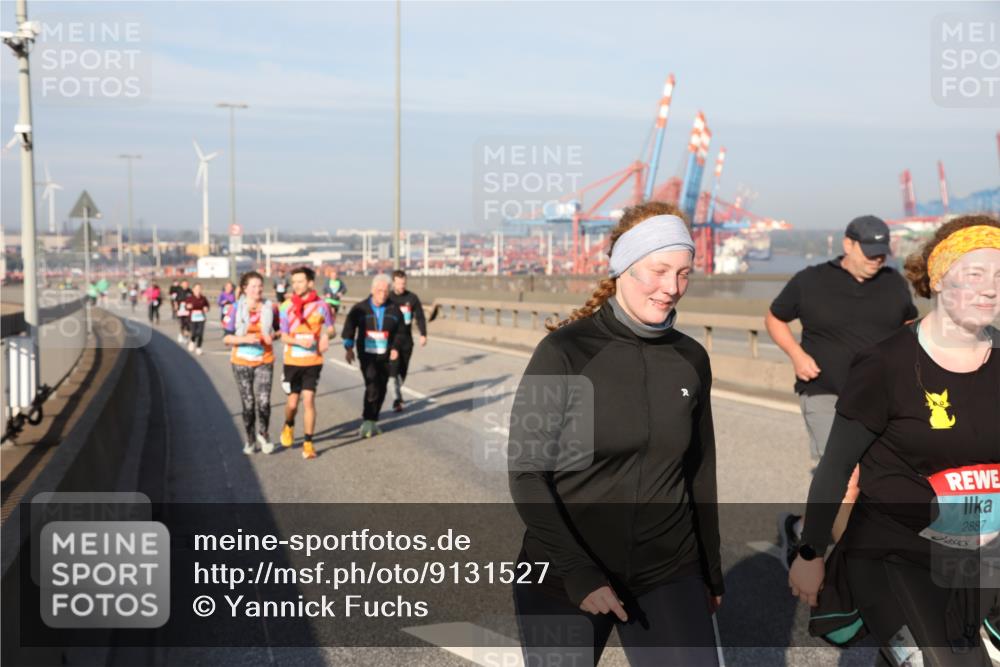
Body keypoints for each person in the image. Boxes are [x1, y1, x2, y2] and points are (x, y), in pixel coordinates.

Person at [508, 201, 723, 667]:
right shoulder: (564, 352)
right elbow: (527, 472)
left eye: (684, 274)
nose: (672, 288)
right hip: (564, 573)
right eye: (659, 270)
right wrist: (578, 571)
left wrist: (710, 572)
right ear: (624, 266)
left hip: (667, 569)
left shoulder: (691, 359)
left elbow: (699, 470)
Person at [789, 215, 1000, 666]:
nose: (991, 289)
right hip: (895, 551)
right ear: (940, 279)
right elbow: (836, 467)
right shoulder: (885, 364)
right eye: (976, 274)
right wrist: (811, 551)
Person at [767, 215, 918, 567]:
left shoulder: (894, 283)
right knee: (848, 479)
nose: (877, 259)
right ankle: (858, 571)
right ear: (847, 244)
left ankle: (801, 528)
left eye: (883, 252)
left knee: (879, 479)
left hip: (881, 396)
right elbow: (774, 318)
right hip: (825, 391)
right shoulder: (810, 280)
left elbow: (910, 326)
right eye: (870, 251)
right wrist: (796, 354)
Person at [278, 266, 333, 460]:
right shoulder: (285, 307)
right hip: (292, 361)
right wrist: (298, 341)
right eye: (294, 282)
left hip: (313, 361)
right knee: (292, 404)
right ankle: (289, 424)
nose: (296, 285)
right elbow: (283, 337)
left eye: (300, 281)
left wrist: (326, 335)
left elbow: (331, 328)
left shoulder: (322, 306)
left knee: (308, 400)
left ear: (310, 283)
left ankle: (308, 443)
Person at [341, 274, 405, 438]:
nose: (382, 294)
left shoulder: (394, 309)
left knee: (382, 387)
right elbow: (349, 328)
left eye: (385, 291)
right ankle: (367, 420)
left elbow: (401, 332)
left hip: (385, 354)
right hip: (367, 354)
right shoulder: (360, 308)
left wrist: (396, 347)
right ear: (372, 290)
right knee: (372, 384)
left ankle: (373, 420)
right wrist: (349, 348)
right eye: (379, 291)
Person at [223, 271, 277, 455]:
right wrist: (245, 338)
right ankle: (250, 439)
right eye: (253, 286)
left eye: (260, 286)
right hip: (241, 361)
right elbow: (227, 339)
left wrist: (272, 336)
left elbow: (279, 331)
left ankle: (264, 433)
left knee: (264, 401)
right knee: (248, 403)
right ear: (244, 289)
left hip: (264, 360)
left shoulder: (270, 308)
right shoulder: (235, 309)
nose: (258, 289)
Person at [387, 270, 427, 412]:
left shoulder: (412, 298)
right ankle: (396, 400)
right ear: (394, 283)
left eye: (404, 283)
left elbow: (420, 317)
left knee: (402, 372)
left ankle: (398, 391)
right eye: (399, 283)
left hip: (407, 340)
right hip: (391, 341)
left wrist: (423, 334)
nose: (402, 286)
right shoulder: (388, 298)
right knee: (393, 372)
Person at [184, 283, 210, 355]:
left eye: (199, 289)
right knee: (194, 332)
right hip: (192, 318)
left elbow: (207, 306)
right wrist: (188, 306)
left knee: (200, 333)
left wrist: (206, 308)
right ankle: (192, 341)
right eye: (196, 289)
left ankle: (199, 347)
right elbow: (186, 306)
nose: (198, 290)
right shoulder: (190, 298)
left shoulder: (203, 298)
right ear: (193, 290)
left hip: (201, 318)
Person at [175, 279, 193, 344]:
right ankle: (181, 334)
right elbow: (176, 301)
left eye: (187, 284)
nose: (185, 285)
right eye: (184, 284)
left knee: (188, 324)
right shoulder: (179, 291)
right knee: (182, 324)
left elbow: (193, 300)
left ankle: (186, 336)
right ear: (181, 284)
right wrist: (176, 310)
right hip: (181, 310)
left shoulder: (190, 291)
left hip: (188, 311)